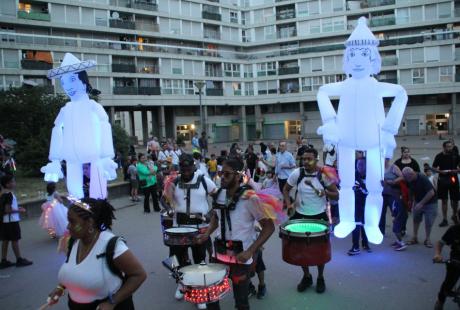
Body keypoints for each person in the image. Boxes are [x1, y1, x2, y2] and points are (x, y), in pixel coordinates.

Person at [197, 157, 276, 310]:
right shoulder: (219, 194)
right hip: (218, 255)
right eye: (221, 173)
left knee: (241, 302)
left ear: (239, 176)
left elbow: (269, 227)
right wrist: (207, 234)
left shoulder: (251, 198)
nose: (222, 178)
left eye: (227, 174)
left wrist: (250, 252)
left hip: (241, 258)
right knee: (212, 298)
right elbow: (216, 216)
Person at [47, 198, 147, 309]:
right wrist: (60, 288)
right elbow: (73, 270)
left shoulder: (112, 246)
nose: (68, 226)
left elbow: (139, 275)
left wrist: (112, 302)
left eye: (72, 221)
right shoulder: (73, 242)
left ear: (90, 222)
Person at [162, 153, 216, 308]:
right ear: (180, 167)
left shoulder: (204, 181)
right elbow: (163, 199)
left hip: (199, 228)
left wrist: (208, 216)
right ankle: (182, 284)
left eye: (189, 167)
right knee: (175, 259)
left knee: (200, 260)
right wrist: (169, 209)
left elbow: (219, 198)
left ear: (194, 166)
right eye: (183, 167)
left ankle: (200, 293)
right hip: (178, 228)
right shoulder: (174, 182)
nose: (186, 170)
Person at [283, 148, 339, 293]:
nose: (306, 162)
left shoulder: (323, 175)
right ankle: (307, 276)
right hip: (300, 216)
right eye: (304, 159)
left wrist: (324, 192)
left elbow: (336, 195)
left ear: (317, 159)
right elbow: (286, 189)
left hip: (319, 216)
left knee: (320, 250)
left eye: (309, 159)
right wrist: (289, 204)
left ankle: (320, 277)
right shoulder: (298, 173)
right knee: (301, 250)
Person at [0, 174, 32, 269]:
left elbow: (6, 208)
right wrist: (19, 210)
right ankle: (19, 259)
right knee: (15, 240)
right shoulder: (9, 194)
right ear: (8, 184)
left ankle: (4, 260)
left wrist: (17, 207)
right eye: (13, 181)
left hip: (5, 221)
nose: (15, 183)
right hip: (11, 221)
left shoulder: (2, 193)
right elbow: (7, 210)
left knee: (5, 240)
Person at [402, 167, 437, 248]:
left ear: (412, 174)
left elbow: (431, 193)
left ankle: (427, 239)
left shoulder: (422, 178)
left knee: (428, 221)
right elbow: (410, 189)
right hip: (418, 201)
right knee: (416, 219)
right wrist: (410, 200)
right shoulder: (410, 180)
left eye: (407, 178)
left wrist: (421, 203)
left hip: (430, 203)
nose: (407, 180)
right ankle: (415, 237)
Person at [433, 209, 460, 310]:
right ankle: (440, 301)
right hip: (456, 260)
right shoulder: (454, 230)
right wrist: (437, 254)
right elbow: (440, 243)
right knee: (448, 284)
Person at [381, 158, 407, 251]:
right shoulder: (379, 167)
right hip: (383, 194)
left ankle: (401, 242)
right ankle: (397, 240)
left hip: (393, 195)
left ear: (387, 159)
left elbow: (402, 177)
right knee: (382, 214)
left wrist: (392, 182)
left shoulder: (393, 167)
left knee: (395, 217)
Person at [432, 140, 459, 227]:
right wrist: (440, 171)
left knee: (455, 200)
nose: (450, 148)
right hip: (443, 179)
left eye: (451, 146)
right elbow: (433, 168)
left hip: (453, 178)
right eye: (448, 146)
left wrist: (457, 170)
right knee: (444, 200)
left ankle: (454, 215)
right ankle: (445, 219)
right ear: (444, 147)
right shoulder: (439, 156)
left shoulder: (455, 155)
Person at [348, 157, 371, 255]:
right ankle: (356, 246)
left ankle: (365, 243)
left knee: (365, 224)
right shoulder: (353, 175)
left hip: (368, 204)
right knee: (357, 224)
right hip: (356, 204)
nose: (359, 167)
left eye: (361, 165)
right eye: (358, 164)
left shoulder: (371, 176)